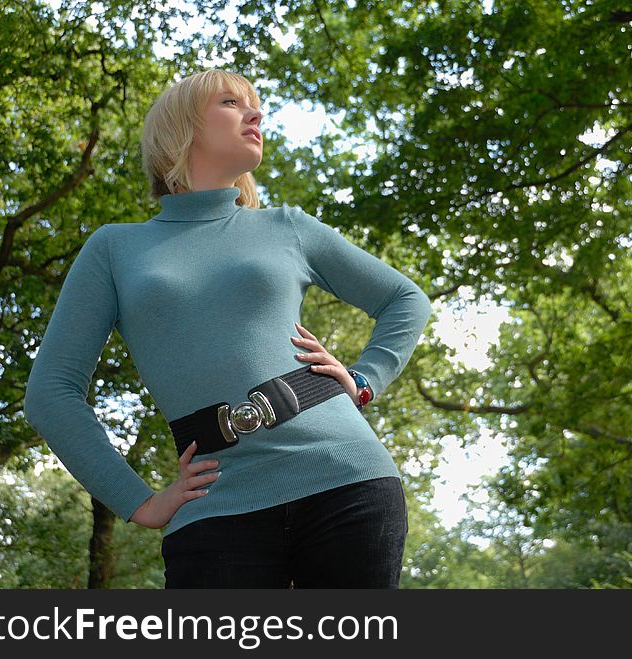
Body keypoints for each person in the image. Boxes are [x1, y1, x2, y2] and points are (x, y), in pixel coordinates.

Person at [23, 68, 433, 588]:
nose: (256, 114)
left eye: (255, 105)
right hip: (215, 506)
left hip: (346, 478)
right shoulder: (113, 249)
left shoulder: (287, 227)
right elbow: (50, 394)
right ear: (182, 127)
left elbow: (405, 298)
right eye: (231, 103)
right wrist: (139, 501)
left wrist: (366, 378)